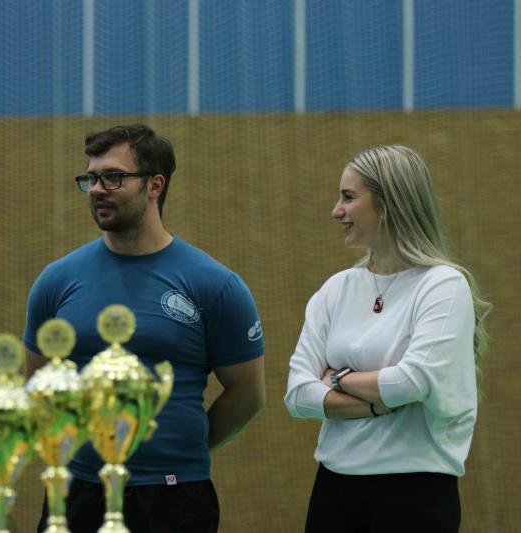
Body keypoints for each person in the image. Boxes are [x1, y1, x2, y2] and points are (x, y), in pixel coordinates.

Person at [24, 124, 266, 533]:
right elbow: (35, 384)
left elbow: (247, 394)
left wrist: (179, 448)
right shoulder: (56, 281)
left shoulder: (215, 285)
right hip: (76, 493)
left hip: (174, 497)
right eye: (91, 178)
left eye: (113, 177)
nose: (97, 189)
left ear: (155, 185)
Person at [284, 145, 492, 532]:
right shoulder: (335, 289)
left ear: (388, 205)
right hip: (333, 489)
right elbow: (297, 394)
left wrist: (337, 378)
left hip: (416, 494)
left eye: (348, 197)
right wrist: (380, 404)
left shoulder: (443, 286)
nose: (336, 211)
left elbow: (411, 382)